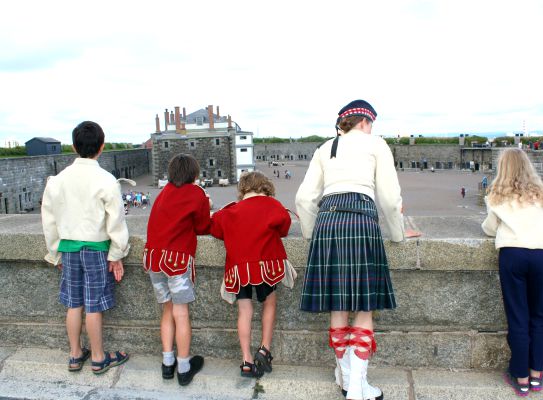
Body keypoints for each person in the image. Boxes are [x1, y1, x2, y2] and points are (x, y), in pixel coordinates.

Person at [296, 100, 419, 400]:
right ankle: (355, 391)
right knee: (364, 309)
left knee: (338, 307)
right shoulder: (376, 144)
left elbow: (302, 200)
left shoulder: (325, 148)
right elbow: (390, 200)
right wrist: (398, 233)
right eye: (371, 124)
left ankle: (351, 383)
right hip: (361, 222)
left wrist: (317, 237)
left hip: (327, 222)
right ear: (365, 121)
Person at [41, 121, 130, 374]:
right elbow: (116, 222)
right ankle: (99, 357)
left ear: (73, 146)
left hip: (68, 248)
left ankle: (75, 354)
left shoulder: (57, 180)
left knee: (73, 303)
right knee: (93, 304)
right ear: (101, 147)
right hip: (96, 248)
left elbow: (49, 220)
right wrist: (117, 254)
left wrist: (55, 251)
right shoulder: (106, 180)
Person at [481, 148, 543, 397]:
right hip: (540, 254)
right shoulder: (542, 195)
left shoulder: (497, 195)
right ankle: (536, 375)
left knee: (517, 314)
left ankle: (520, 377)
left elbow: (490, 228)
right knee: (538, 313)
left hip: (513, 254)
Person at [210, 171, 292, 378]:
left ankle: (246, 360)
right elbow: (284, 227)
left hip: (238, 269)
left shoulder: (229, 212)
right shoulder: (274, 206)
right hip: (266, 264)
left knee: (244, 312)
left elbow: (216, 229)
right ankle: (264, 349)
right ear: (265, 187)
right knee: (269, 302)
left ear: (243, 189)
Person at [143, 153, 211, 386]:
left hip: (154, 257)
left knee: (167, 311)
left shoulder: (163, 193)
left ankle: (167, 363)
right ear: (194, 174)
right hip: (176, 259)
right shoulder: (196, 193)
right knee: (181, 313)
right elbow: (202, 226)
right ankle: (184, 367)